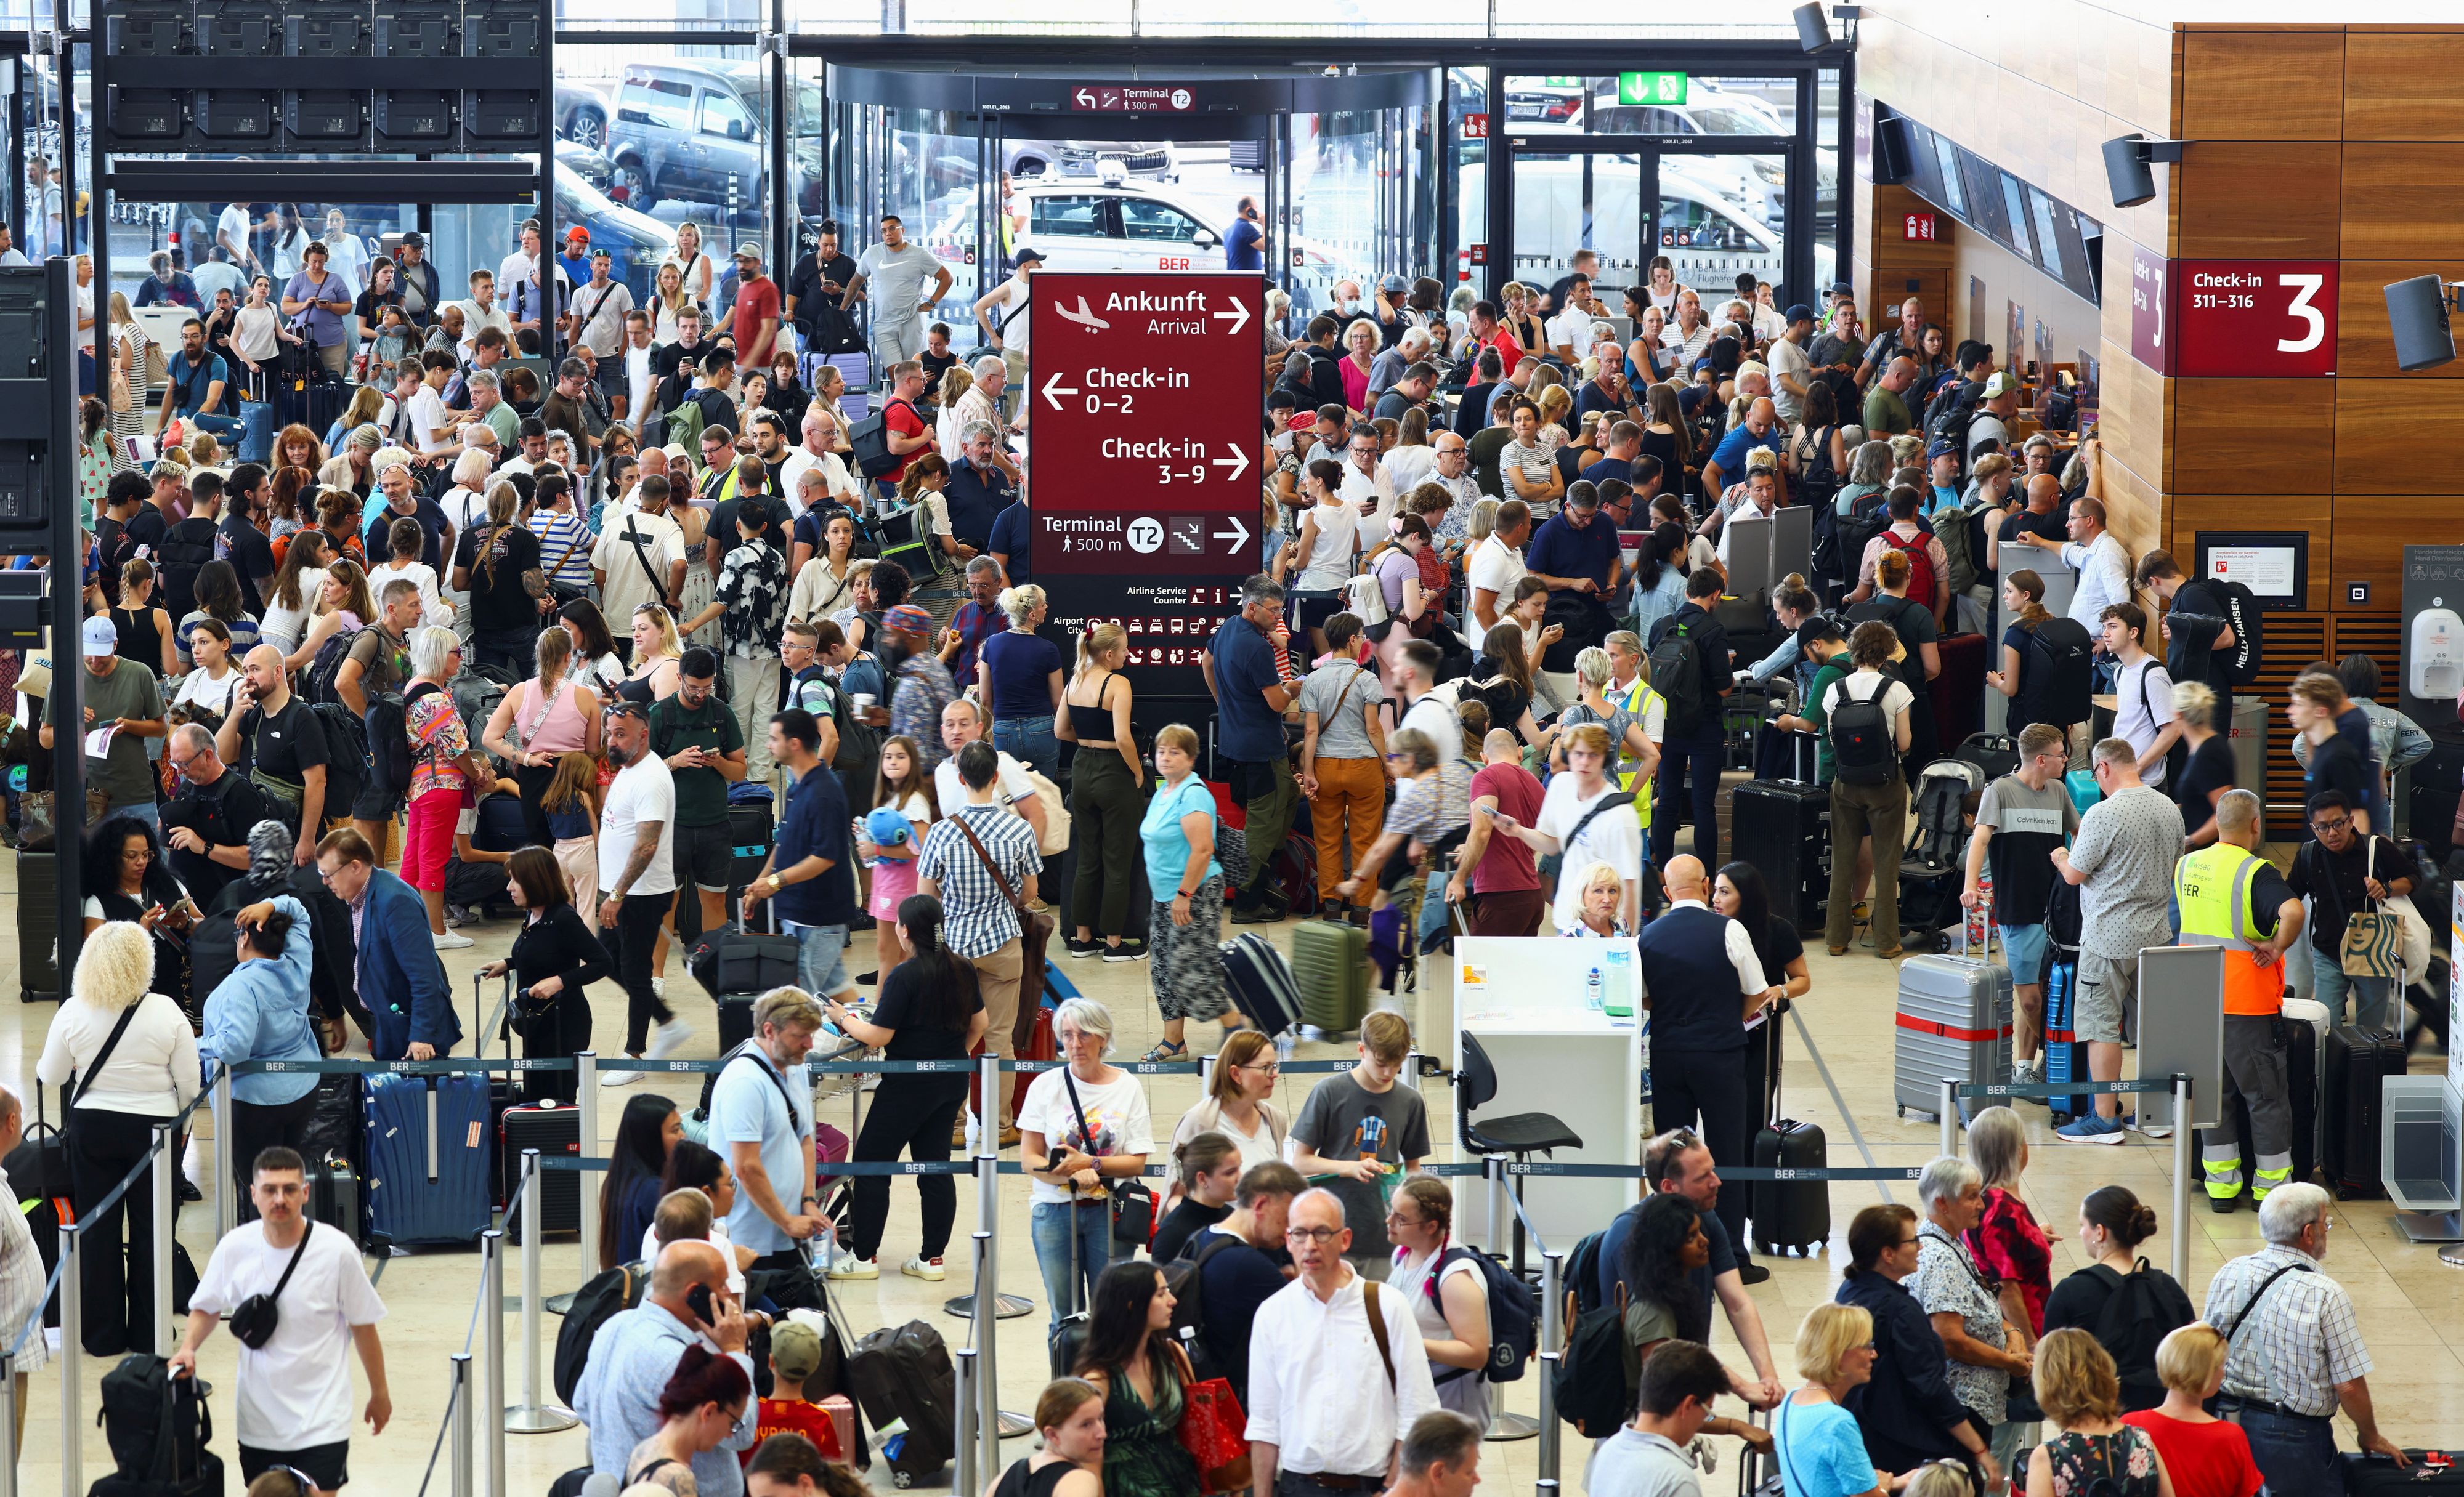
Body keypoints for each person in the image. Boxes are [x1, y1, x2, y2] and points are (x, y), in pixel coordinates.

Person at [169, 1147, 391, 1495]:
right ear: (254, 1194)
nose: (280, 1199)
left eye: (289, 1189)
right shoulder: (235, 1247)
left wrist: (380, 1393)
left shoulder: (337, 1251)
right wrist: (188, 1348)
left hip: (323, 1420)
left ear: (305, 1193)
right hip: (259, 1422)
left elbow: (363, 1326)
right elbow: (206, 1306)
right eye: (270, 1190)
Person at [36, 921, 200, 1355]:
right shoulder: (167, 1010)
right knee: (152, 1231)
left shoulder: (73, 1011)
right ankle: (149, 1334)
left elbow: (49, 1074)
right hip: (155, 1133)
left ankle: (102, 1334)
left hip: (93, 1130)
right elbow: (190, 1084)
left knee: (97, 1231)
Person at [822, 894, 983, 1281]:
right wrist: (949, 1056)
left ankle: (863, 1258)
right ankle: (932, 1259)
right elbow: (981, 1024)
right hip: (951, 1083)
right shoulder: (962, 968)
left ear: (905, 930)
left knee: (872, 1166)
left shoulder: (904, 975)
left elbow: (877, 1036)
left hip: (906, 1087)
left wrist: (842, 1017)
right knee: (934, 1167)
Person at [2202, 1182, 2400, 1491]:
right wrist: (2369, 1434)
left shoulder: (2230, 1272)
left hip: (2225, 1423)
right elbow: (2348, 1384)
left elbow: (2206, 1348)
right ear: (2309, 1234)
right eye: (2326, 1223)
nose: (2327, 1230)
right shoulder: (2326, 1295)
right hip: (2293, 1437)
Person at [1637, 855, 1784, 1267]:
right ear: (1704, 886)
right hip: (1720, 1055)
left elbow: (1644, 998)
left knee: (1671, 1156)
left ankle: (1671, 1248)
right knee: (1726, 1153)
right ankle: (1731, 1254)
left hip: (1668, 1054)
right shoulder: (1730, 929)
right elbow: (1758, 990)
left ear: (1667, 892)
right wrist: (1723, 1017)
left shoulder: (1648, 937)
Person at [1246, 1187, 1441, 1495]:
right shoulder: (1272, 1314)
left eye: (1322, 1233)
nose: (1310, 1246)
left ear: (1345, 1239)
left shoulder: (1388, 1306)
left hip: (1371, 1485)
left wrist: (1393, 1486)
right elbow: (1264, 1421)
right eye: (1300, 1234)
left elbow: (1418, 1408)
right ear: (1288, 1240)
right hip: (1298, 1485)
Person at [2173, 789, 2307, 1209]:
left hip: (2197, 1001)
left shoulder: (2187, 865)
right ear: (2255, 824)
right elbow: (2293, 911)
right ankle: (2271, 1193)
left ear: (2217, 822)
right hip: (2246, 1006)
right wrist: (2277, 946)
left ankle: (2221, 1189)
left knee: (2215, 1100)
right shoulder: (2256, 871)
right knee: (2265, 1099)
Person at [2052, 740, 2187, 1144]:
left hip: (2108, 939)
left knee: (2101, 1028)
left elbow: (2075, 874)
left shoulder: (2103, 812)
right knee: (2153, 1027)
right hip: (2157, 934)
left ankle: (2104, 1118)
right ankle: (2156, 1114)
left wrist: (2061, 856)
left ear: (2103, 767)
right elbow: (2174, 863)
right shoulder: (2169, 808)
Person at [918, 740, 1044, 1140]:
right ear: (996, 776)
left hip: (954, 950)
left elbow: (925, 897)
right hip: (1004, 946)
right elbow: (1029, 892)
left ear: (960, 778)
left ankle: (953, 1126)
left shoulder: (941, 832)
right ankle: (1000, 1125)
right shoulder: (1019, 829)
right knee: (999, 1040)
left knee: (953, 1036)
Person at [572, 1240, 758, 1496]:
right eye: (722, 1285)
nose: (729, 1294)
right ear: (695, 1293)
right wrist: (737, 1350)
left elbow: (582, 1404)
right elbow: (742, 1431)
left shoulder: (615, 1325)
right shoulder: (675, 1359)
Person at [1835, 1204, 2000, 1487]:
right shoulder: (1902, 1311)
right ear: (1888, 1254)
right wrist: (1980, 1450)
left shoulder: (1848, 1291)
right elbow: (1931, 1389)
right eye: (1912, 1241)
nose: (1920, 1247)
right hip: (1907, 1450)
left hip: (1864, 1434)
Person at [1019, 998, 1155, 1324]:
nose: (1075, 1044)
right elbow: (1029, 1159)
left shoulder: (1127, 1086)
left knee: (1114, 1315)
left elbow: (1136, 1163)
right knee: (1063, 1315)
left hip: (1110, 1213)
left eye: (1085, 1035)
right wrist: (1069, 1177)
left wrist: (1090, 1165)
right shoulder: (1045, 1086)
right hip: (1053, 1211)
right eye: (1067, 1035)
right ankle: (1067, 1373)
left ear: (1103, 1038)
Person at [1960, 724, 2077, 1084]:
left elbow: (2081, 832)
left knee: (2050, 992)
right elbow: (1980, 841)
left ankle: (2029, 1067)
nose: (2065, 759)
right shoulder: (2000, 791)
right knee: (2029, 1001)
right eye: (2060, 754)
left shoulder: (2058, 790)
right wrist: (1970, 886)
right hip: (2019, 908)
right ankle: (2054, 1055)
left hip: (2057, 909)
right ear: (2041, 760)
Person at [1288, 1011, 1430, 1277]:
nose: (1389, 1072)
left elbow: (1413, 1170)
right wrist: (1349, 1168)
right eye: (1380, 1063)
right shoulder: (1329, 1092)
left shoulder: (1410, 1101)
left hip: (1385, 1236)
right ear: (1361, 1050)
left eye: (1397, 1063)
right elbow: (1301, 1162)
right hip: (1334, 1231)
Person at [596, 700, 692, 1081]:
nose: (612, 742)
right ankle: (667, 1022)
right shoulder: (629, 768)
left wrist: (618, 894)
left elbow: (647, 844)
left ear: (643, 734)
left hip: (641, 893)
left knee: (635, 970)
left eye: (620, 734)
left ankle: (635, 1055)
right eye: (609, 734)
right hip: (621, 890)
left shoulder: (651, 777)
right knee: (607, 959)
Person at [197, 894, 323, 1178]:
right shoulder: (296, 963)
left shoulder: (238, 987)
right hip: (302, 1089)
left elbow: (233, 1048)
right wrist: (271, 905)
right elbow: (300, 913)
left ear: (243, 939)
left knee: (259, 1190)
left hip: (254, 1104)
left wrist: (196, 1046)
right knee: (286, 1178)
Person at [709, 987, 829, 1281]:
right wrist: (786, 1220)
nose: (808, 1044)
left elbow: (805, 1139)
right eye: (800, 1035)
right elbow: (746, 1168)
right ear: (769, 1030)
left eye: (811, 1035)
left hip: (790, 1230)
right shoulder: (745, 1082)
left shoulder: (795, 1066)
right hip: (751, 1240)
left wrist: (808, 1202)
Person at [742, 709, 861, 1008]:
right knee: (837, 994)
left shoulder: (824, 793)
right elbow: (784, 841)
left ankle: (823, 1052)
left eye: (774, 739)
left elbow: (825, 857)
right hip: (799, 914)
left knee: (800, 1007)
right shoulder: (799, 784)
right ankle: (871, 1037)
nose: (769, 745)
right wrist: (761, 883)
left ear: (794, 744)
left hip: (818, 919)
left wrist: (775, 882)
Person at [474, 846, 609, 1105]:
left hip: (563, 1026)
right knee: (535, 1095)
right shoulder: (534, 914)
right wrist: (509, 963)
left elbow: (603, 962)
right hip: (536, 1024)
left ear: (536, 881)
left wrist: (560, 981)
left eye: (517, 880)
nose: (509, 887)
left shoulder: (563, 919)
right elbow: (545, 952)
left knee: (556, 1100)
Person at [1202, 575, 1302, 923]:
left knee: (1289, 793)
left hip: (1238, 742)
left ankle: (1266, 871)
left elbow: (1206, 662)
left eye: (1281, 609)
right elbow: (1277, 704)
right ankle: (1248, 898)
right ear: (1252, 608)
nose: (1278, 616)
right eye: (1273, 610)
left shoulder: (1228, 627)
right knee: (1262, 820)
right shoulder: (1259, 648)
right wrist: (1295, 688)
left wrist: (1223, 702)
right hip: (1261, 747)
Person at [2041, 1185, 2194, 1414]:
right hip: (2160, 1423)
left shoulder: (2072, 1291)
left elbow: (2049, 1371)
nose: (2081, 1233)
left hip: (2096, 1422)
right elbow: (2191, 1358)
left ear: (2100, 1232)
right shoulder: (2169, 1288)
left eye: (2083, 1225)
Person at [315, 828, 460, 1062]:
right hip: (387, 1021)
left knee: (418, 1099)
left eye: (328, 873)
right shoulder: (358, 895)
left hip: (414, 1031)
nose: (324, 881)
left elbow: (425, 976)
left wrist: (422, 1035)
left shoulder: (396, 902)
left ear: (354, 866)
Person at [1138, 722, 1237, 1060]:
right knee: (1164, 968)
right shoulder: (1165, 789)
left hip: (1194, 892)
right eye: (1161, 751)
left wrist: (1185, 895)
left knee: (1191, 967)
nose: (1165, 758)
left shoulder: (1193, 793)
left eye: (1174, 752)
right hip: (1165, 894)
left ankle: (1237, 1026)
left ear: (1191, 758)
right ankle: (1174, 1042)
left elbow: (1202, 849)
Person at [645, 649, 746, 967]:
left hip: (715, 823)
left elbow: (740, 771)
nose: (700, 694)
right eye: (693, 687)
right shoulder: (660, 714)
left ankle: (713, 972)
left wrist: (718, 763)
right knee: (665, 905)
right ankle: (656, 976)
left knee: (715, 899)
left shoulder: (722, 713)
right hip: (671, 826)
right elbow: (638, 774)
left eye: (707, 687)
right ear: (679, 679)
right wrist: (674, 762)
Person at [2285, 786, 2412, 1038]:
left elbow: (2413, 878)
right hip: (2328, 951)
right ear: (2313, 828)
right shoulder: (2309, 855)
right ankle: (2331, 1075)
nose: (2332, 833)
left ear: (2351, 821)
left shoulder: (2377, 848)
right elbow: (2291, 894)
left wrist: (2386, 888)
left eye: (2338, 824)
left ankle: (2366, 1074)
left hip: (2373, 951)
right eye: (2323, 827)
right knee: (2325, 1026)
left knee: (2371, 1031)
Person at [1489, 722, 1640, 934]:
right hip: (1567, 918)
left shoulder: (1621, 815)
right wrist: (1517, 831)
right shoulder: (1561, 786)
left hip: (1602, 927)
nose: (1584, 762)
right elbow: (1552, 844)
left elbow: (1630, 885)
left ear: (1604, 760)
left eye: (1593, 755)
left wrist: (1627, 941)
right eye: (1578, 754)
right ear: (1568, 755)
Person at [1072, 1261, 1204, 1497]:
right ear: (1132, 1306)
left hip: (1183, 1484)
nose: (1172, 1300)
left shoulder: (1173, 1356)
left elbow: (1196, 1427)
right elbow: (1087, 1459)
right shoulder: (1098, 1380)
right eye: (1161, 1294)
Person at [1060, 623, 1144, 962]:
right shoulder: (1118, 683)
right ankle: (1113, 943)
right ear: (1109, 654)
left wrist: (1086, 743)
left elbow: (1059, 729)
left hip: (1082, 770)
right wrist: (1138, 772)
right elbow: (1124, 738)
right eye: (1125, 649)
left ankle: (1082, 939)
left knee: (1087, 857)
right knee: (1117, 861)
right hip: (1114, 772)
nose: (1128, 654)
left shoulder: (1075, 680)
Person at [1299, 614, 1387, 919]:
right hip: (1363, 767)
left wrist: (1309, 772)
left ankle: (1332, 908)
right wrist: (1387, 764)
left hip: (1325, 766)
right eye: (1361, 636)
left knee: (1327, 840)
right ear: (1351, 640)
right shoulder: (1367, 679)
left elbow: (1310, 731)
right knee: (1365, 839)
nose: (1363, 640)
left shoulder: (1313, 680)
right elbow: (1374, 729)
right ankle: (1362, 909)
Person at [44, 613, 168, 828]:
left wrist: (129, 725)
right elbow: (45, 739)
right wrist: (71, 722)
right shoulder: (65, 679)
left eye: (101, 654)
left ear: (115, 645)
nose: (94, 660)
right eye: (88, 653)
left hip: (135, 792)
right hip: (86, 794)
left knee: (147, 857)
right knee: (92, 859)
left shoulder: (139, 674)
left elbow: (160, 728)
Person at [1384, 1177, 1490, 1425]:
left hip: (1453, 1399)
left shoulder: (1456, 1278)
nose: (1389, 1222)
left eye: (1401, 1218)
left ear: (1431, 1227)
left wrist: (1410, 1341)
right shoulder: (1404, 1254)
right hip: (1420, 1389)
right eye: (1391, 1211)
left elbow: (1476, 1354)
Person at [1589, 1340, 1748, 1497]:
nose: (1702, 1421)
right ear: (1688, 1405)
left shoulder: (1608, 1450)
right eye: (1707, 1412)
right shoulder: (1677, 1481)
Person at [2120, 1325, 2264, 1497]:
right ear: (2206, 1373)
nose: (2223, 1373)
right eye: (2220, 1365)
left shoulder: (2131, 1425)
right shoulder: (2230, 1437)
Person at [1773, 1304, 1895, 1497]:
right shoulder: (1837, 1423)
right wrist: (1882, 1488)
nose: (1874, 1354)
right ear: (1839, 1352)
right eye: (1868, 1346)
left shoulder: (1791, 1400)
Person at [1444, 728, 1548, 937]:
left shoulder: (1487, 777)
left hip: (1501, 898)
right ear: (1520, 753)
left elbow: (1482, 831)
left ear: (1483, 758)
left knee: (1478, 967)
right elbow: (1529, 840)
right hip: (1532, 897)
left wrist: (1459, 879)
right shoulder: (1537, 786)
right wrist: (1470, 847)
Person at [624, 1346, 756, 1494]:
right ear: (709, 1412)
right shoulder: (678, 1478)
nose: (730, 1434)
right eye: (733, 1423)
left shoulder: (642, 1451)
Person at [1170, 1028, 1290, 1176]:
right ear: (1236, 1074)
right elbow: (1176, 1192)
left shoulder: (1275, 1120)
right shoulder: (1200, 1121)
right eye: (1266, 1067)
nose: (1275, 1074)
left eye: (1275, 1065)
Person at [599, 1094, 686, 1272]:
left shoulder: (619, 1180)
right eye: (675, 1130)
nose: (683, 1136)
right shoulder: (653, 1191)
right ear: (651, 1138)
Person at [744, 1319, 845, 1466]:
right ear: (813, 1368)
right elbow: (832, 1475)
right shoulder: (820, 1421)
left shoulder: (750, 1415)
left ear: (771, 1362)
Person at [990, 1379, 1108, 1497]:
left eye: (1101, 1419)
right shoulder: (1079, 1481)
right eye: (1086, 1425)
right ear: (1053, 1435)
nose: (1102, 1434)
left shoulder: (1008, 1474)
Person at [1153, 1131, 1241, 1265]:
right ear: (1203, 1179)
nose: (1240, 1177)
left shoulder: (1233, 1217)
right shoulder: (1173, 1232)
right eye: (1230, 1173)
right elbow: (1165, 1283)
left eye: (1239, 1168)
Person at [2171, 683, 2235, 849]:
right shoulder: (2199, 747)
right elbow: (2196, 799)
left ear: (2178, 715)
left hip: (2205, 855)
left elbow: (2224, 813)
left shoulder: (2210, 753)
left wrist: (2190, 842)